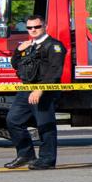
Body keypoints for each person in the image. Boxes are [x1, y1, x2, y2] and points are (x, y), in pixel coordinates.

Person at [4, 14, 67, 169]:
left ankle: (47, 160)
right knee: (13, 120)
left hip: (44, 90)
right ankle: (26, 154)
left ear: (44, 26)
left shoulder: (54, 46)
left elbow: (54, 71)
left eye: (36, 27)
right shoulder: (29, 46)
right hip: (26, 89)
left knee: (45, 125)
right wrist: (18, 51)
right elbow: (16, 65)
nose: (33, 30)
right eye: (29, 27)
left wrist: (39, 90)